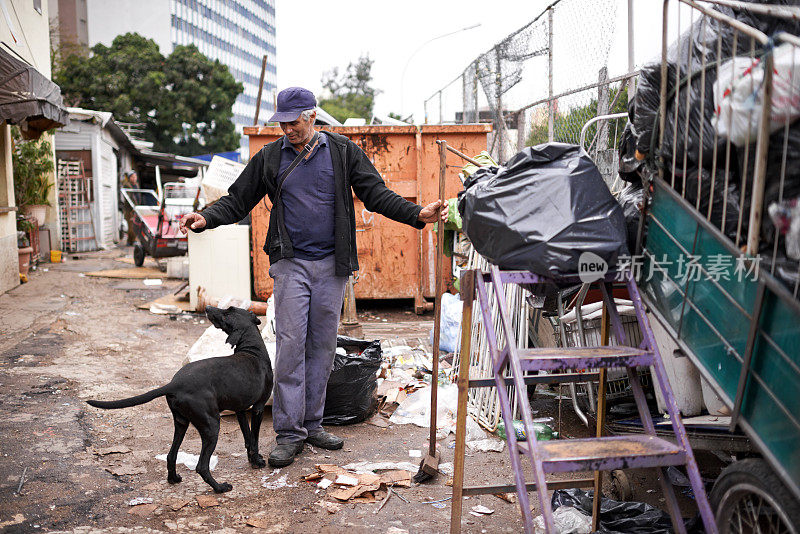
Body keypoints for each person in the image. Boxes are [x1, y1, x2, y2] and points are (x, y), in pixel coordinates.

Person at [179, 86, 446, 468]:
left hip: (331, 266)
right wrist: (205, 218)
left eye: (294, 122)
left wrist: (416, 213)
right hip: (291, 263)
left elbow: (375, 194)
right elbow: (238, 198)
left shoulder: (342, 152)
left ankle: (313, 423)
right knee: (290, 347)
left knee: (321, 347)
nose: (287, 129)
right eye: (282, 123)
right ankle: (289, 434)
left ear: (312, 116)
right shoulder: (270, 156)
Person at [120, 170, 139, 246]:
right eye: (133, 177)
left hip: (136, 208)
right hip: (129, 209)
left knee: (134, 225)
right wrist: (133, 208)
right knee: (131, 225)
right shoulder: (127, 185)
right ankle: (132, 240)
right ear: (129, 178)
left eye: (135, 177)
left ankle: (129, 241)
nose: (134, 178)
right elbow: (130, 198)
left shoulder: (136, 185)